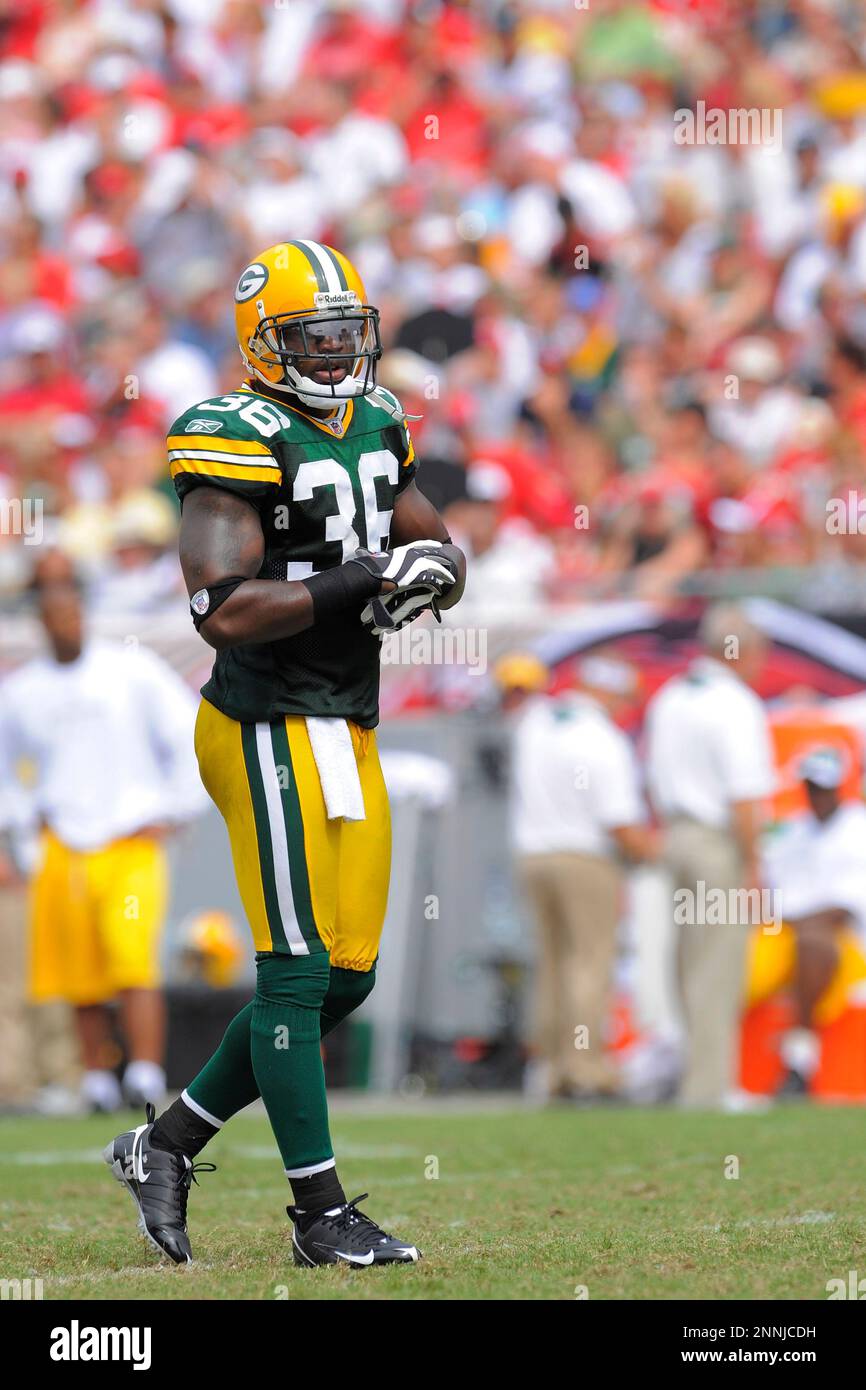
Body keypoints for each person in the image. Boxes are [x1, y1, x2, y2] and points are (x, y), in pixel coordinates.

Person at [104, 240, 466, 1267]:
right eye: (316, 336)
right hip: (262, 721)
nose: (336, 351)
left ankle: (164, 1143)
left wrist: (436, 571)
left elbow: (426, 534)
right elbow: (223, 609)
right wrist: (367, 580)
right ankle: (319, 1214)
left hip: (344, 720)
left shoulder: (379, 419)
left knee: (342, 979)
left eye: (348, 332)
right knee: (296, 970)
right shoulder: (234, 436)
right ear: (265, 346)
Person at [0, 550, 205, 1113]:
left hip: (129, 839)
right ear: (39, 622)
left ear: (84, 613)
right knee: (78, 969)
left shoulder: (129, 669)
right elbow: (7, 773)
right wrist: (20, 827)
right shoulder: (21, 692)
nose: (61, 621)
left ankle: (142, 1071)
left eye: (69, 609)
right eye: (50, 613)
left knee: (131, 956)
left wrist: (174, 809)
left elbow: (188, 730)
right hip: (63, 842)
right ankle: (94, 1078)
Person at [503, 652, 657, 1102]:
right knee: (590, 964)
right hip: (585, 858)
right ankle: (585, 1068)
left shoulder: (537, 723)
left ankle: (549, 1068)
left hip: (533, 857)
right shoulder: (601, 737)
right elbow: (619, 821)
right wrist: (653, 855)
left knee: (551, 965)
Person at [645, 604, 775, 1109]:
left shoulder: (671, 698)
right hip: (716, 842)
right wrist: (754, 864)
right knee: (716, 963)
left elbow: (653, 779)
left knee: (687, 960)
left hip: (677, 836)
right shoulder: (734, 703)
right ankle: (710, 1087)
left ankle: (698, 1080)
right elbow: (745, 797)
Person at [765, 747, 866, 1095]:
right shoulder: (793, 830)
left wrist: (796, 920)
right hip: (786, 931)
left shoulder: (858, 827)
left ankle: (799, 1061)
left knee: (813, 942)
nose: (816, 796)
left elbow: (844, 909)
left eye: (823, 788)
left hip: (846, 943)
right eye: (811, 787)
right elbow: (771, 891)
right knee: (726, 950)